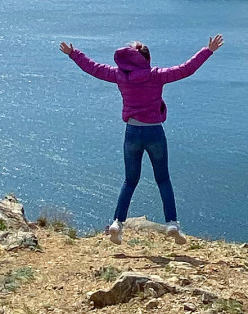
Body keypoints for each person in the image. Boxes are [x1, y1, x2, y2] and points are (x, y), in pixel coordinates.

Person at [61, 34, 224, 241]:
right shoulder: (155, 75)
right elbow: (186, 69)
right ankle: (172, 223)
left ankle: (117, 224)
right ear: (146, 59)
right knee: (163, 179)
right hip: (154, 132)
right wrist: (207, 50)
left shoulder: (120, 76)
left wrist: (73, 54)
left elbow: (93, 68)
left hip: (132, 133)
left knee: (130, 180)